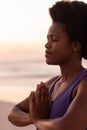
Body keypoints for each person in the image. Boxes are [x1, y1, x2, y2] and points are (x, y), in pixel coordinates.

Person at [8, 1, 87, 130]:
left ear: (75, 46)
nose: (47, 45)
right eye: (47, 39)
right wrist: (31, 118)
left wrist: (38, 120)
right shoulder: (51, 84)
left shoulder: (83, 84)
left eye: (54, 39)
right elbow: (13, 112)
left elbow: (67, 125)